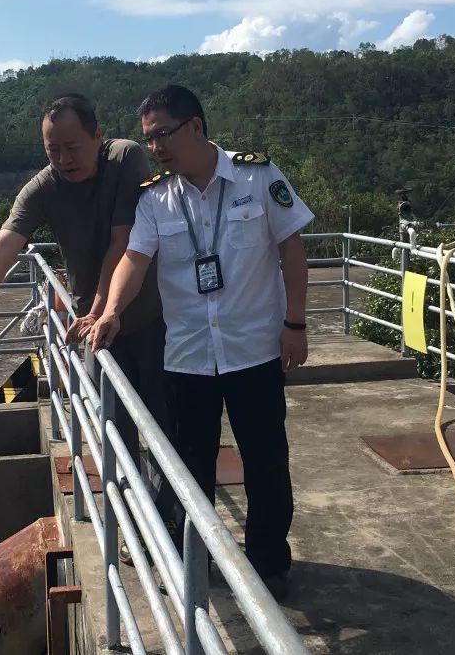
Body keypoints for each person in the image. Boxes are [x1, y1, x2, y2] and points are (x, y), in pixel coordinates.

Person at [89, 84, 312, 595]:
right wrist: (111, 311)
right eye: (149, 139)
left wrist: (295, 324)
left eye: (163, 134)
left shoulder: (258, 177)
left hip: (255, 350)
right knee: (189, 467)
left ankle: (268, 565)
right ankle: (194, 561)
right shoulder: (156, 199)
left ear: (195, 127)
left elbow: (292, 250)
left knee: (266, 462)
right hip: (188, 356)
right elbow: (134, 260)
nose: (155, 148)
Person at [0, 93, 178, 550]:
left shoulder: (124, 158)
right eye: (53, 150)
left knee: (166, 429)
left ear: (97, 136)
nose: (64, 159)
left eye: (72, 147)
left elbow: (123, 242)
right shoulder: (45, 187)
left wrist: (100, 309)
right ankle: (133, 525)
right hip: (96, 330)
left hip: (152, 320)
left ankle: (169, 531)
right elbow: (5, 242)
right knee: (114, 433)